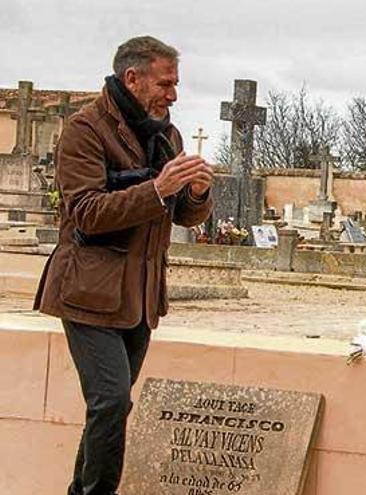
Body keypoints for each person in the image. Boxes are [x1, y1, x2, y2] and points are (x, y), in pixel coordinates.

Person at [33, 35, 215, 495]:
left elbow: (181, 216)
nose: (173, 94)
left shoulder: (166, 134)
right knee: (111, 401)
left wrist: (195, 194)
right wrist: (157, 188)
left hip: (140, 295)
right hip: (88, 291)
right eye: (165, 83)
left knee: (111, 409)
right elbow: (86, 212)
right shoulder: (85, 130)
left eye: (176, 85)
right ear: (132, 78)